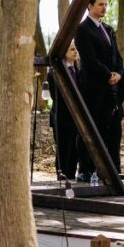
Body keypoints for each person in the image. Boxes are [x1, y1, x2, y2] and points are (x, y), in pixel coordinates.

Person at [74, 0, 124, 182]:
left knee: (111, 129)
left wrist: (118, 73)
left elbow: (117, 57)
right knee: (90, 128)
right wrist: (107, 74)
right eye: (100, 4)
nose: (104, 7)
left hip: (111, 89)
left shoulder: (109, 29)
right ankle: (85, 170)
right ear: (89, 5)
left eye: (106, 4)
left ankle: (110, 168)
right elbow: (89, 59)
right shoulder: (82, 29)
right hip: (93, 89)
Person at [50, 41, 82, 181]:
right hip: (62, 115)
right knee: (63, 145)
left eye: (76, 49)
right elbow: (54, 95)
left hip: (77, 116)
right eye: (72, 50)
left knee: (75, 146)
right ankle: (62, 174)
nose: (75, 52)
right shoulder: (54, 72)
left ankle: (71, 174)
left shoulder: (78, 70)